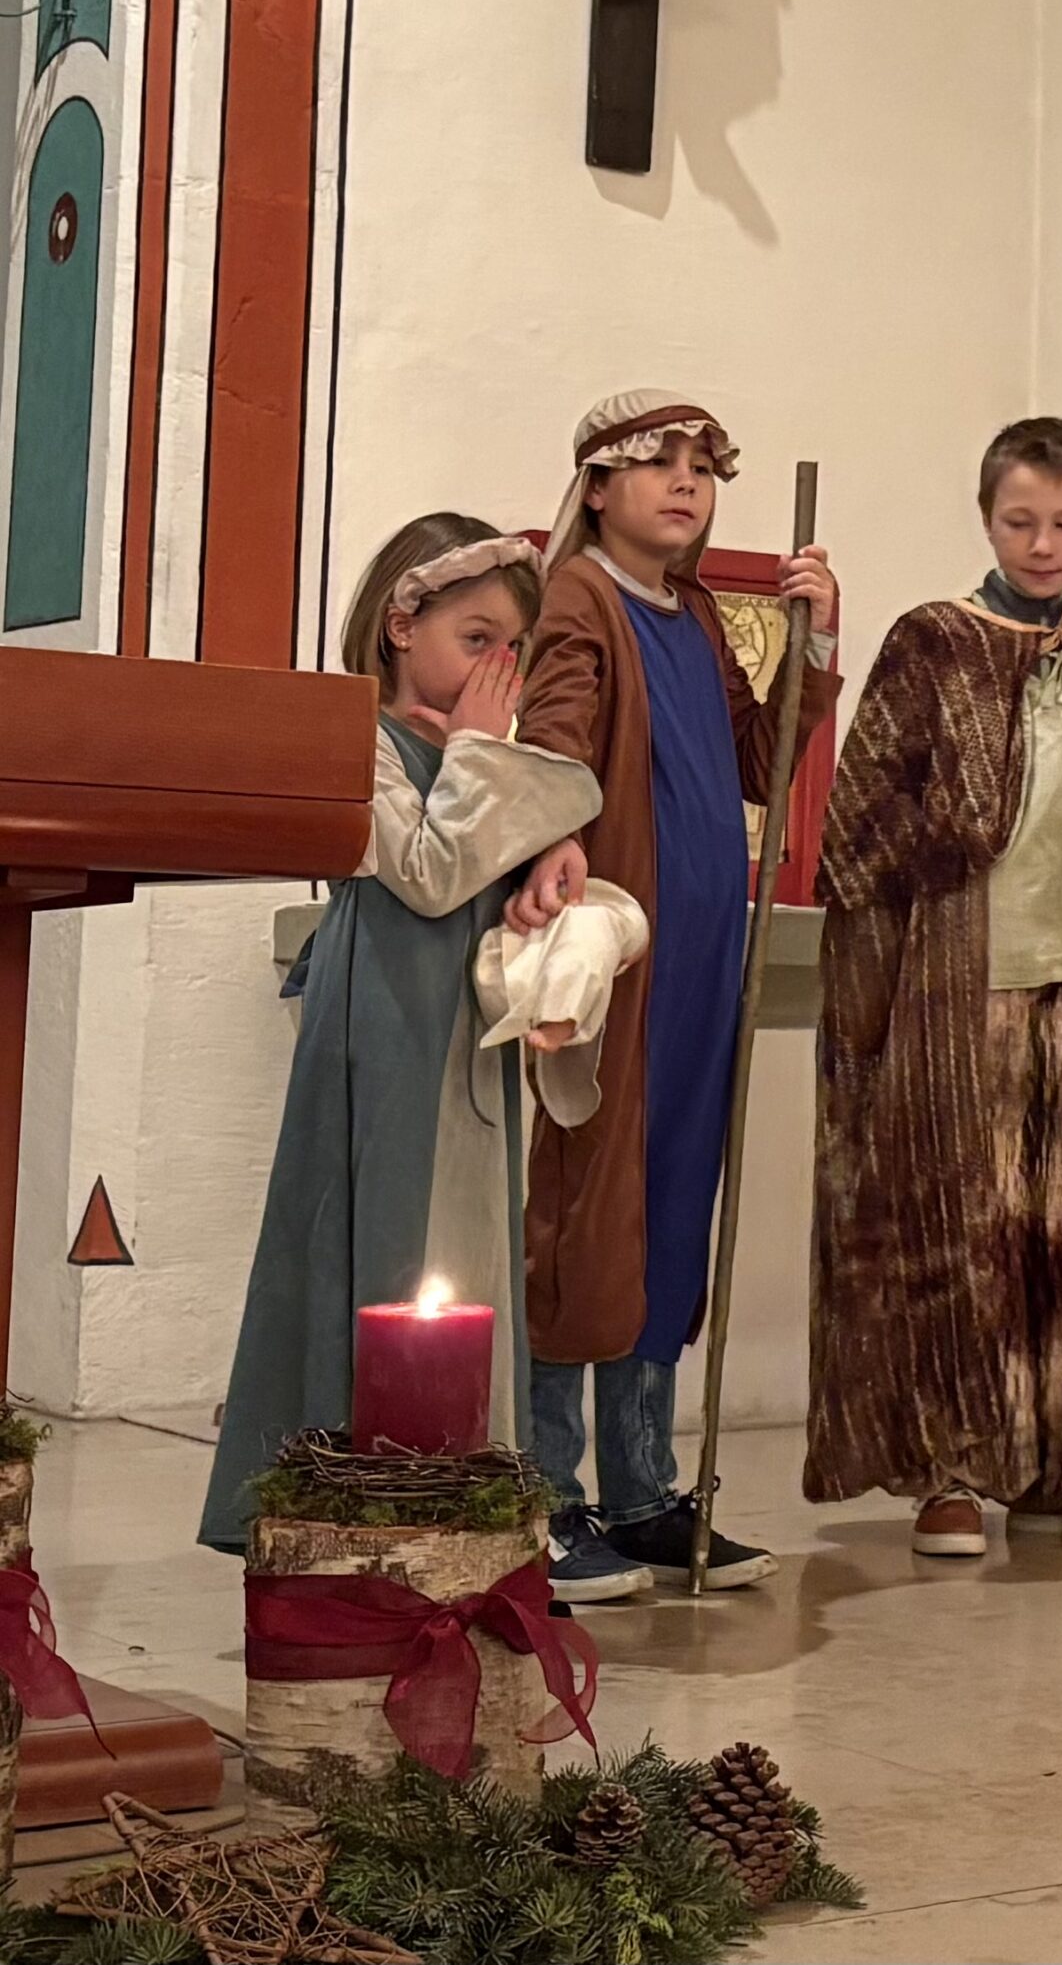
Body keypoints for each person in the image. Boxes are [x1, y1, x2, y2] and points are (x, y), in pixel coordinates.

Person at [804, 419, 1062, 1556]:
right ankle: (952, 1471)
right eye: (1020, 521)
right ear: (986, 518)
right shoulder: (933, 642)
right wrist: (957, 822)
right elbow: (857, 824)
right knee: (967, 1226)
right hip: (965, 985)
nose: (1043, 545)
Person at [200, 519, 601, 1555]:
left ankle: (460, 1507)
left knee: (465, 1254)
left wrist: (550, 839)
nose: (497, 671)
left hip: (465, 1025)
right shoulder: (361, 737)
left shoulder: (477, 747)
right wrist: (485, 759)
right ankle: (364, 1504)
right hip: (383, 1006)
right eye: (476, 639)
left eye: (512, 648)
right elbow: (425, 871)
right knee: (379, 1244)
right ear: (400, 623)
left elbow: (557, 804)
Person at [512, 391, 841, 1600]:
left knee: (671, 1203)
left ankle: (643, 1489)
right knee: (588, 1209)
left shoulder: (697, 613)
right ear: (598, 485)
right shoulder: (580, 595)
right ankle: (548, 1493)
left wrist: (813, 640)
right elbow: (555, 734)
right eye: (658, 461)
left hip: (706, 954)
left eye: (703, 465)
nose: (687, 481)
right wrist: (555, 837)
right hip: (618, 950)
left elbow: (762, 756)